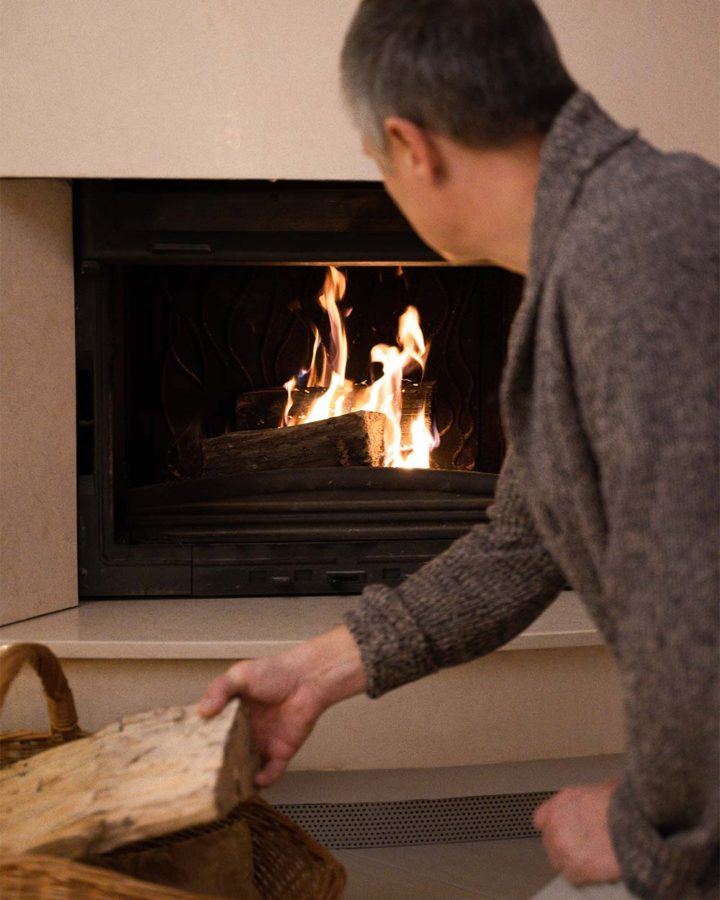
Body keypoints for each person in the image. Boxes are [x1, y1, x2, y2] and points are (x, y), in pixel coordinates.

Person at [198, 2, 719, 897]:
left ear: (412, 147)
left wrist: (652, 833)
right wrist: (316, 674)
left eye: (376, 162)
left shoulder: (637, 253)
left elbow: (698, 603)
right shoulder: (601, 240)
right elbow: (524, 539)